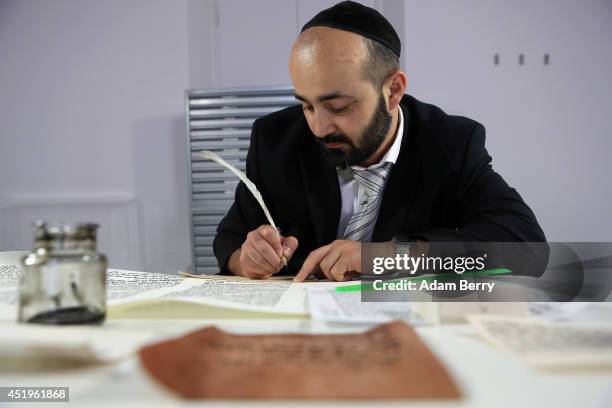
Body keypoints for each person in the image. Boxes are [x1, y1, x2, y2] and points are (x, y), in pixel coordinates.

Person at [213, 1, 546, 282]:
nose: (317, 126)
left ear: (393, 91)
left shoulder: (450, 144)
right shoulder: (275, 140)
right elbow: (231, 235)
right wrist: (246, 258)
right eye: (306, 105)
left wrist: (387, 256)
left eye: (338, 106)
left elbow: (526, 246)